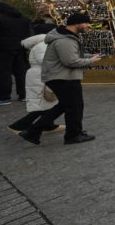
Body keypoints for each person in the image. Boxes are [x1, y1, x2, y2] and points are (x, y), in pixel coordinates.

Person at [19, 13, 102, 145]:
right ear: (77, 23)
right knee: (74, 106)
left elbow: (71, 54)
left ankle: (35, 131)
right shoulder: (64, 40)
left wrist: (89, 55)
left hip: (63, 76)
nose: (87, 26)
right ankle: (71, 135)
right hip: (63, 77)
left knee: (66, 106)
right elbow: (70, 61)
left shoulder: (67, 37)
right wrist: (90, 60)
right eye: (86, 23)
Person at [7, 24, 63, 134]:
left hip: (41, 75)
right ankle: (18, 126)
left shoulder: (44, 43)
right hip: (41, 76)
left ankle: (48, 126)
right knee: (42, 102)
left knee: (47, 103)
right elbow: (45, 60)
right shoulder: (43, 44)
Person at [0, 2, 32, 105]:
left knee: (3, 74)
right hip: (21, 48)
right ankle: (23, 95)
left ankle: (4, 97)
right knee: (21, 73)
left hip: (2, 50)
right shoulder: (25, 19)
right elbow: (30, 34)